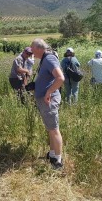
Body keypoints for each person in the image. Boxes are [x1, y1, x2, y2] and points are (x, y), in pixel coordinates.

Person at [30, 38, 65, 169]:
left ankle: (58, 161)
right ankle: (52, 154)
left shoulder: (49, 59)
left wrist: (49, 92)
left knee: (54, 130)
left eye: (32, 48)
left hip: (49, 100)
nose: (31, 51)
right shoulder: (45, 59)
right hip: (45, 100)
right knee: (50, 129)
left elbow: (60, 78)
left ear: (39, 48)